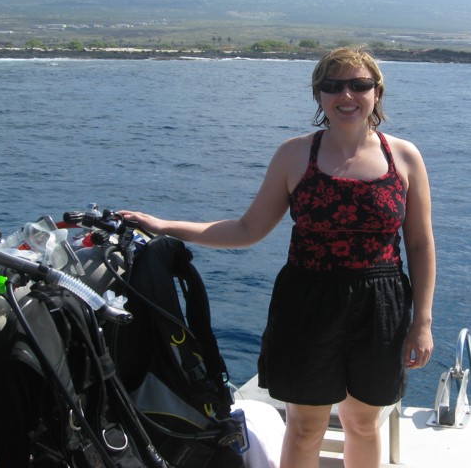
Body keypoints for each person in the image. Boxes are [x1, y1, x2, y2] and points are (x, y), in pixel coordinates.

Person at [120, 46, 436, 468]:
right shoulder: (294, 155)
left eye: (359, 84)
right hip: (307, 303)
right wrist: (164, 226)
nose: (346, 95)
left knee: (363, 423)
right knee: (305, 427)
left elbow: (420, 245)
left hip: (380, 305)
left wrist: (422, 322)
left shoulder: (404, 157)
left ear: (377, 92)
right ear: (318, 94)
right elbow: (247, 229)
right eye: (332, 85)